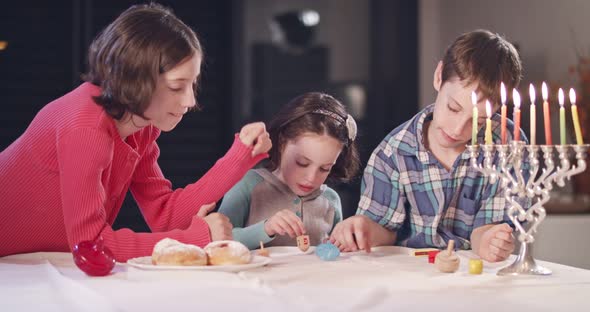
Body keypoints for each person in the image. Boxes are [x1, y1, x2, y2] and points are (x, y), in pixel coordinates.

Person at [0, 3, 271, 262]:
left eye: (193, 84)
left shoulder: (139, 126)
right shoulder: (86, 128)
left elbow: (165, 215)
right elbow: (90, 243)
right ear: (137, 81)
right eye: (177, 87)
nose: (190, 101)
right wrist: (197, 237)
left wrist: (240, 157)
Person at [330, 29, 526, 262]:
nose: (457, 130)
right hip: (411, 275)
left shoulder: (506, 145)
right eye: (453, 108)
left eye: (479, 121)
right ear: (439, 75)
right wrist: (363, 228)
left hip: (474, 275)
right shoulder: (394, 153)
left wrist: (490, 241)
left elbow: (487, 230)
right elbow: (384, 233)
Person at [218, 92, 360, 249]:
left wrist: (341, 245)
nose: (311, 178)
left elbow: (333, 253)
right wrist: (265, 228)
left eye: (324, 168)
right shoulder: (248, 185)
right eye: (302, 163)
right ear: (281, 143)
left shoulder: (331, 201)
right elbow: (218, 242)